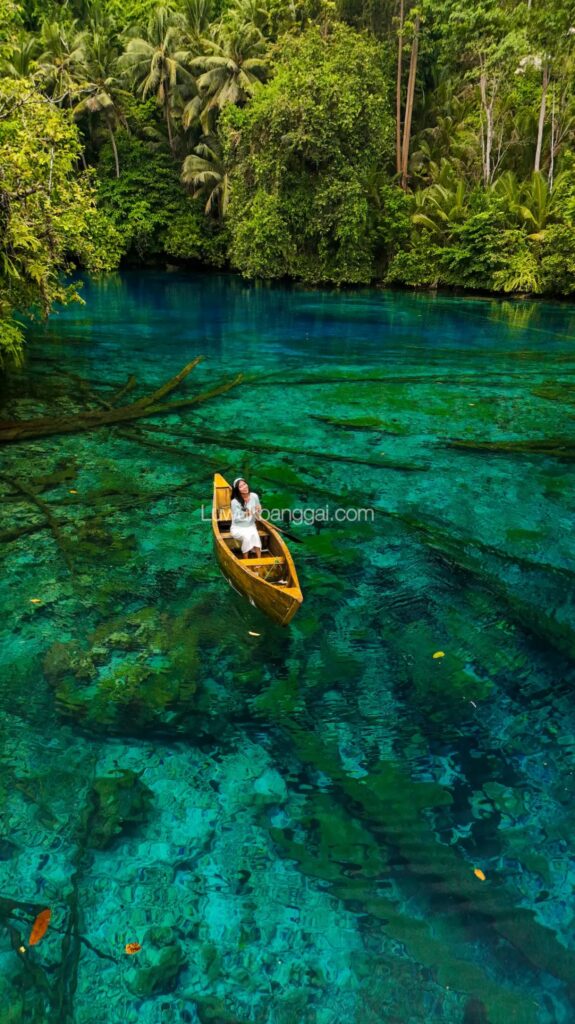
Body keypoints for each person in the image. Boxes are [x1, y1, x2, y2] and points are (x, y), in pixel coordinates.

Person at [230, 477, 262, 558]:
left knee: (256, 537)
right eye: (240, 487)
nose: (244, 487)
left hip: (251, 526)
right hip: (238, 527)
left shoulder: (254, 496)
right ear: (237, 490)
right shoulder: (234, 502)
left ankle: (259, 560)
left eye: (244, 484)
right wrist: (246, 514)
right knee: (247, 538)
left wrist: (258, 510)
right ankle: (246, 560)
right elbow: (236, 519)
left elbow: (258, 516)